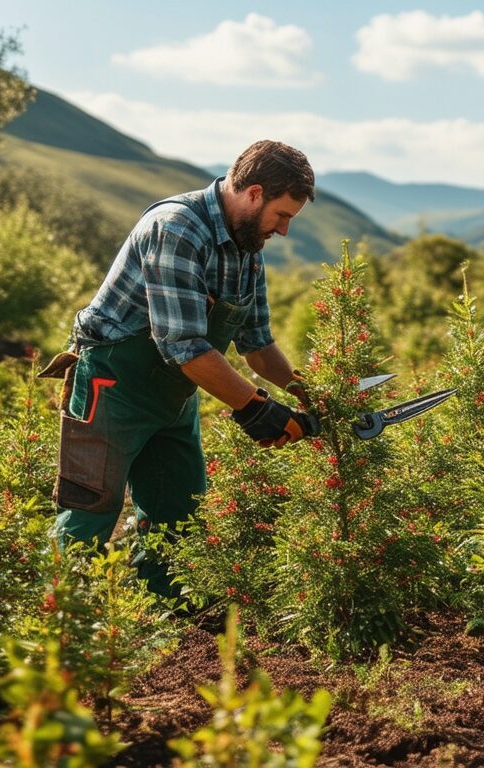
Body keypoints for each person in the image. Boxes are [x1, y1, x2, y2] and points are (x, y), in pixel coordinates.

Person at [41, 139, 320, 598]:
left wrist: (308, 393)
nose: (284, 230)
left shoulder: (247, 248)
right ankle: (54, 629)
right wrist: (255, 408)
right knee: (90, 511)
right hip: (113, 384)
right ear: (253, 193)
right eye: (283, 215)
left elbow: (258, 344)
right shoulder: (176, 228)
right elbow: (184, 345)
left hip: (175, 392)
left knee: (178, 515)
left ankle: (168, 619)